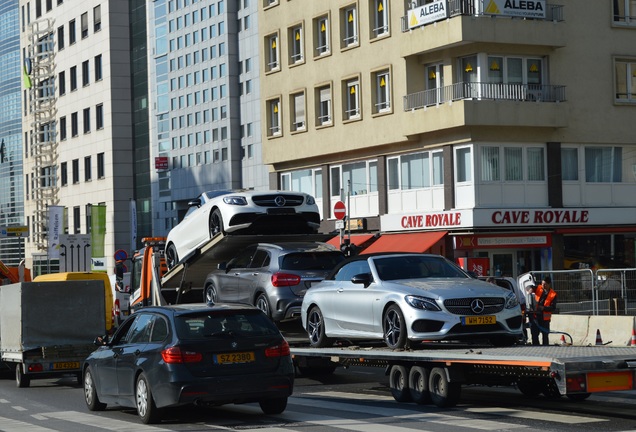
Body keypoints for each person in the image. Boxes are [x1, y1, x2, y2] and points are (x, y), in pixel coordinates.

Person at [531, 276, 558, 345]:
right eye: (542, 283)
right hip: (536, 316)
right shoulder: (539, 288)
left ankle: (545, 348)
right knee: (534, 334)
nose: (543, 285)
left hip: (545, 319)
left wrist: (544, 308)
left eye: (545, 284)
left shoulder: (553, 294)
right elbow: (529, 287)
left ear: (549, 284)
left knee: (545, 335)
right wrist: (530, 289)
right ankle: (536, 347)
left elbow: (553, 307)